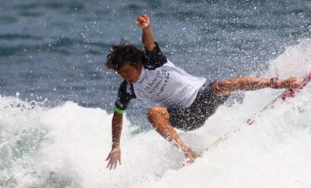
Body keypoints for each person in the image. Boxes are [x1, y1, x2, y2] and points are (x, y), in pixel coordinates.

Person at [105, 14, 298, 169]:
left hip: (203, 96)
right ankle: (188, 152)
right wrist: (116, 146)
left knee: (222, 85)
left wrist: (146, 28)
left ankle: (277, 83)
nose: (125, 77)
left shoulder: (152, 62)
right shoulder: (128, 89)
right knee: (153, 113)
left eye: (127, 71)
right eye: (121, 74)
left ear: (137, 63)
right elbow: (118, 114)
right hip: (186, 117)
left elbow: (148, 44)